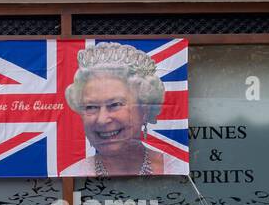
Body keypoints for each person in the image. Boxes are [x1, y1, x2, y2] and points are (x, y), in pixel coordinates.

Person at [62, 42, 186, 176]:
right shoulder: (72, 175)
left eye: (115, 104)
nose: (102, 120)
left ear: (144, 110)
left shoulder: (176, 171)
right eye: (91, 107)